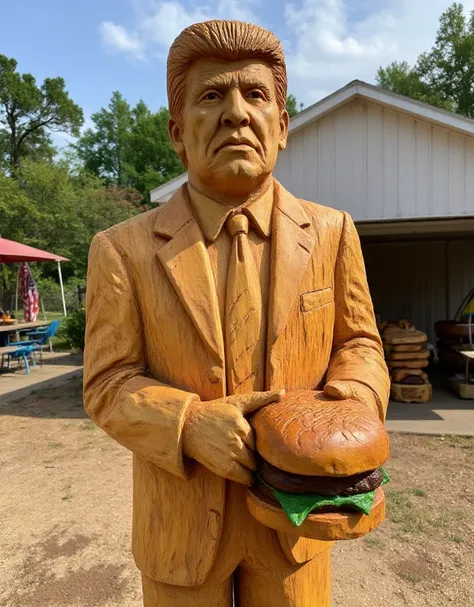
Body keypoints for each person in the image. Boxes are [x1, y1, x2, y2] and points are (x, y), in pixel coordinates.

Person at [83, 20, 389, 606]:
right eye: (211, 96)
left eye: (255, 95)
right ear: (177, 132)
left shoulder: (331, 233)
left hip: (298, 526)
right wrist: (188, 424)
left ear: (283, 127)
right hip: (180, 528)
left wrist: (350, 406)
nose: (236, 113)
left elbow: (361, 344)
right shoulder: (121, 250)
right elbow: (106, 383)